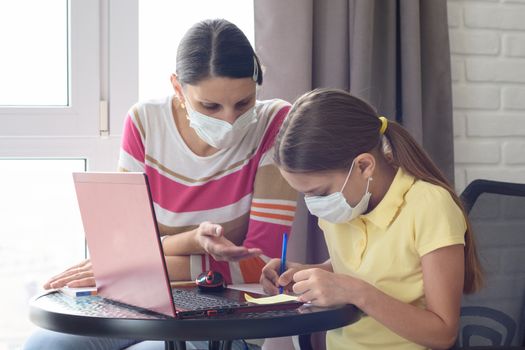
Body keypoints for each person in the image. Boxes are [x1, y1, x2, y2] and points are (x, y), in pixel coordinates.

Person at [24, 19, 297, 350]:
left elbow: (258, 264)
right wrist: (186, 244)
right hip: (139, 302)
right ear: (178, 88)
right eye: (210, 106)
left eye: (243, 103)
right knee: (45, 345)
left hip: (223, 320)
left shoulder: (276, 123)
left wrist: (130, 267)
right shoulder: (145, 123)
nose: (229, 120)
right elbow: (122, 248)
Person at [260, 88, 483, 350]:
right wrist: (306, 273)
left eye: (318, 192)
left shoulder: (430, 206)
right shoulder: (346, 204)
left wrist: (355, 292)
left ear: (364, 166)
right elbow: (366, 266)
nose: (314, 205)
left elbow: (443, 333)